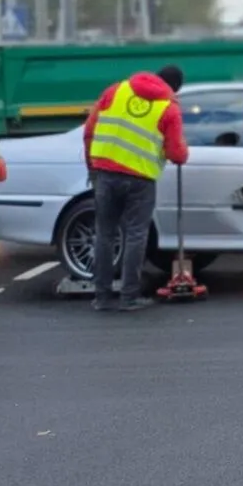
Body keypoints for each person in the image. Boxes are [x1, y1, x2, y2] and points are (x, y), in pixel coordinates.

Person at [83, 65, 189, 312]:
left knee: (105, 234)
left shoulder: (116, 91)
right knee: (135, 235)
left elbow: (89, 130)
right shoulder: (169, 108)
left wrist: (92, 167)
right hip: (140, 179)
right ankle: (129, 297)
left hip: (106, 174)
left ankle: (101, 297)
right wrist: (184, 152)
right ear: (174, 88)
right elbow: (176, 153)